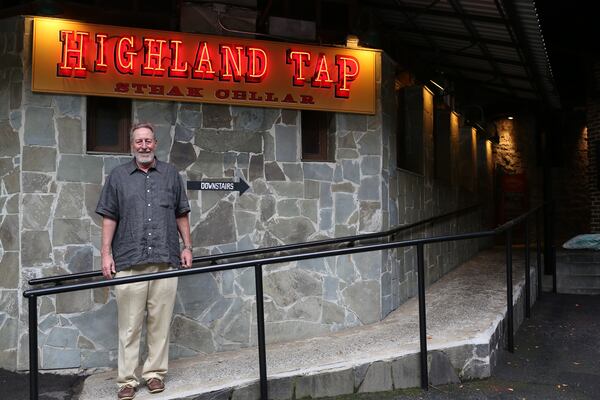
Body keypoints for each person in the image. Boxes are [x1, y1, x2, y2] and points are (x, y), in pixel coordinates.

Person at [96, 122, 192, 400]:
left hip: (165, 258)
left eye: (148, 141)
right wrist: (106, 253)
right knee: (129, 325)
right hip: (128, 260)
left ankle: (154, 375)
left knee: (159, 324)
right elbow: (109, 217)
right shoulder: (117, 177)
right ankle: (126, 380)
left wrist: (187, 247)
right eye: (139, 141)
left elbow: (181, 213)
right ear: (132, 145)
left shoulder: (171, 175)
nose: (144, 146)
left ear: (156, 143)